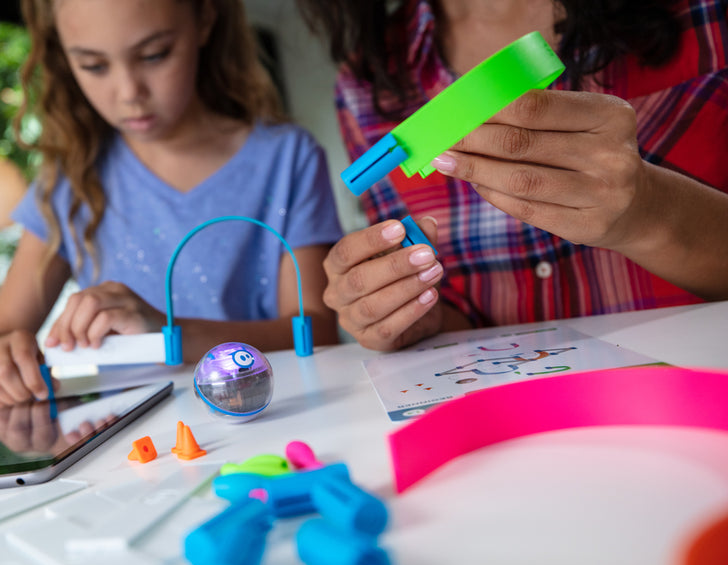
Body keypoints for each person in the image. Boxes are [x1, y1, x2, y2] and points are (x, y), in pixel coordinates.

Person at [0, 0, 343, 407]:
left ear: (205, 19)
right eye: (94, 65)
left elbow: (318, 331)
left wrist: (169, 335)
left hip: (271, 419)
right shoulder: (70, 182)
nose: (129, 93)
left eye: (154, 55)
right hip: (130, 440)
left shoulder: (288, 158)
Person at [297, 0, 728, 352]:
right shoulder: (368, 81)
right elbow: (450, 305)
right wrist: (411, 313)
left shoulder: (705, 17)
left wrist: (651, 210)